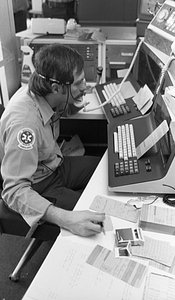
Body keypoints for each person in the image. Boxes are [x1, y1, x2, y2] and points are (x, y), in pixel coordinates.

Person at [0, 43, 105, 237]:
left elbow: (61, 108)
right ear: (57, 87)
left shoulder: (44, 90)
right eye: (78, 82)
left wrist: (75, 97)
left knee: (105, 169)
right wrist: (66, 218)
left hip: (54, 165)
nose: (85, 86)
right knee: (99, 215)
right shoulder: (25, 125)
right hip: (38, 184)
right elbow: (13, 191)